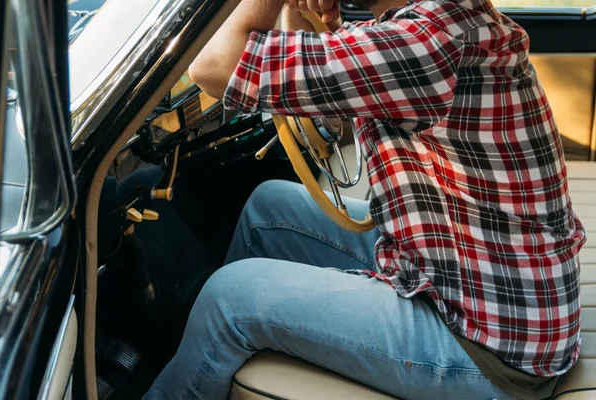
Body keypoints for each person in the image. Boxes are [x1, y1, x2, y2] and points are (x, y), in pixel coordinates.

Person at [144, 0, 587, 398]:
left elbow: (214, 66)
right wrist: (307, 18)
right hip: (481, 283)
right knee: (269, 209)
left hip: (492, 349)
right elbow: (328, 102)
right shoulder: (440, 21)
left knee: (230, 297)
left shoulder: (423, 42)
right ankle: (214, 360)